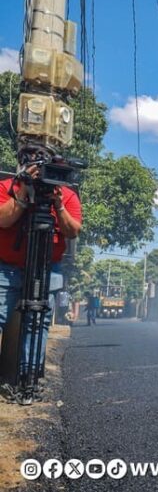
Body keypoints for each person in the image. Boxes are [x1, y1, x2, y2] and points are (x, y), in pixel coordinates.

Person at [0, 163, 82, 386]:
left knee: (37, 323)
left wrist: (58, 205)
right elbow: (3, 219)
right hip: (7, 267)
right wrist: (24, 191)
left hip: (47, 268)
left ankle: (30, 379)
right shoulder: (7, 186)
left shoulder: (67, 195)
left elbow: (73, 231)